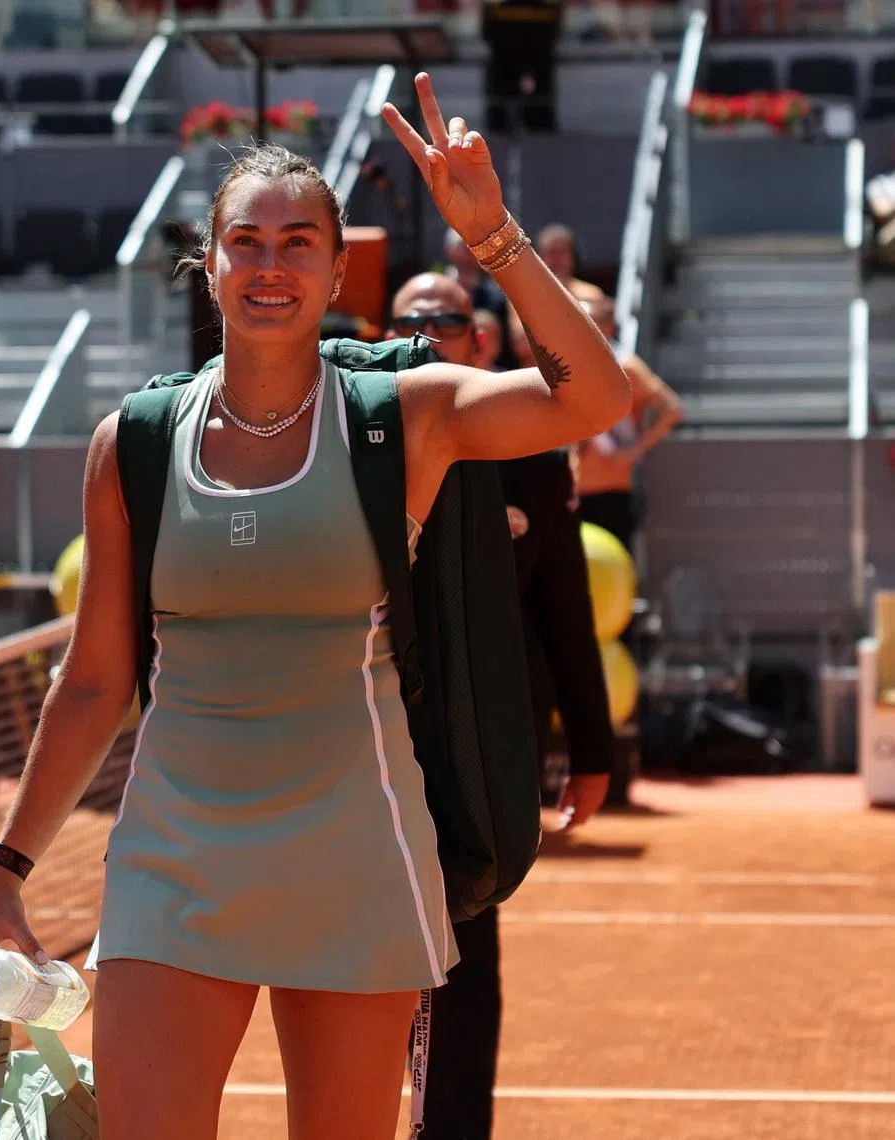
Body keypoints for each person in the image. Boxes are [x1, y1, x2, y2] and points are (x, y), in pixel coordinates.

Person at [0, 72, 629, 1140]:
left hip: (357, 856)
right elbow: (93, 683)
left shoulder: (403, 416)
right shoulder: (131, 444)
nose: (270, 267)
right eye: (248, 243)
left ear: (334, 271)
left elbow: (597, 400)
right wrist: (6, 875)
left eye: (299, 244)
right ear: (211, 263)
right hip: (171, 865)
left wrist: (494, 236)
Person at [389, 270, 614, 1140]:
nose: (429, 333)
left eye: (447, 320)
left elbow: (564, 610)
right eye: (411, 320)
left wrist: (591, 752)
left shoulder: (533, 450)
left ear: (481, 343)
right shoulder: (352, 439)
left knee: (465, 952)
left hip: (478, 749)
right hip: (366, 739)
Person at [574, 295, 683, 552]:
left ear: (609, 326)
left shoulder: (626, 366)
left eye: (591, 323)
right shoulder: (569, 366)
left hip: (612, 487)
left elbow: (673, 409)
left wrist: (634, 450)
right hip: (573, 487)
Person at [442, 227, 516, 367]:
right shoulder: (435, 294)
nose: (469, 253)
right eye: (463, 246)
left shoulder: (497, 296)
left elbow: (506, 347)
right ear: (449, 250)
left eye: (474, 247)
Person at [536, 223, 607, 305]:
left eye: (563, 252)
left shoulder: (591, 295)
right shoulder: (527, 295)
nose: (557, 259)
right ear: (539, 256)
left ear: (573, 256)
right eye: (552, 252)